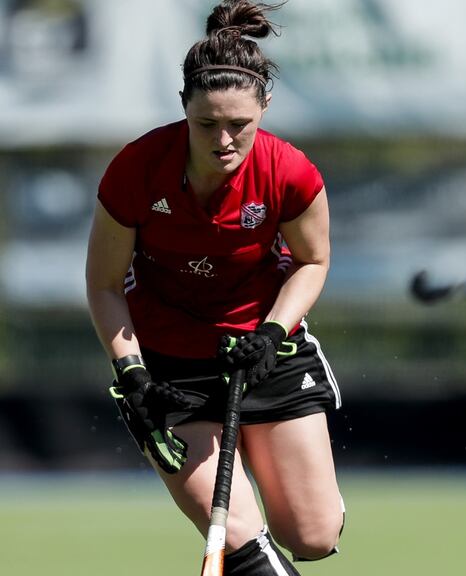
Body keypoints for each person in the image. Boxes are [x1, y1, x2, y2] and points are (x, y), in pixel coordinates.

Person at [85, 2, 343, 574]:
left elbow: (313, 260)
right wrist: (132, 374)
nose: (224, 141)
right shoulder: (135, 170)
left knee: (314, 536)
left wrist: (273, 333)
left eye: (239, 125)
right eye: (207, 125)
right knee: (244, 542)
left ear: (265, 108)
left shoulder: (290, 172)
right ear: (184, 109)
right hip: (169, 374)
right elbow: (104, 284)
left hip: (263, 352)